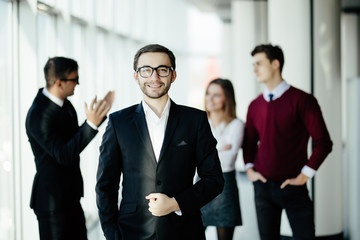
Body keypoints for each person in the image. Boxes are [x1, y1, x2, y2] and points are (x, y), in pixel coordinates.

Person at [95, 44, 224, 240]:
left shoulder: (195, 120)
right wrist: (111, 234)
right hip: (131, 231)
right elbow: (106, 185)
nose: (154, 78)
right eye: (146, 70)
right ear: (136, 76)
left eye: (162, 70)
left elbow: (214, 179)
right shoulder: (118, 122)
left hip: (184, 231)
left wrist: (175, 203)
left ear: (173, 75)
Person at [242, 44, 333, 240]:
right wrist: (250, 170)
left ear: (275, 64)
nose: (254, 69)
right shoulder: (254, 105)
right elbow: (249, 143)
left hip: (293, 186)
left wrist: (304, 176)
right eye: (253, 64)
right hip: (263, 187)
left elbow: (323, 142)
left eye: (259, 63)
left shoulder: (303, 100)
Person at [25, 56, 114, 240]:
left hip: (70, 197)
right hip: (52, 203)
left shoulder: (65, 104)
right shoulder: (38, 114)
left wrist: (96, 118)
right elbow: (63, 154)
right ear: (59, 83)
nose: (77, 84)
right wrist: (91, 124)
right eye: (74, 80)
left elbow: (73, 140)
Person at [200, 78, 244, 240]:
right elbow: (193, 157)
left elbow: (228, 160)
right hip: (201, 183)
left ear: (227, 98)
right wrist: (219, 148)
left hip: (225, 184)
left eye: (216, 95)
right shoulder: (200, 122)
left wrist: (206, 150)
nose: (210, 99)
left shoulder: (237, 125)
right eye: (208, 94)